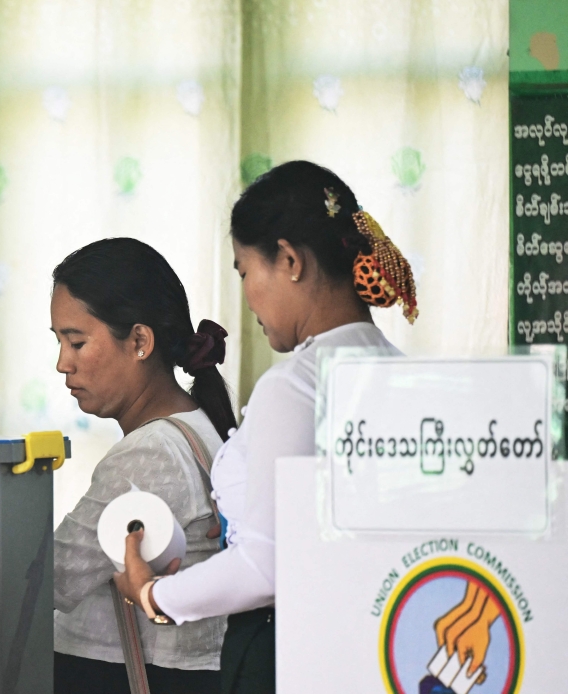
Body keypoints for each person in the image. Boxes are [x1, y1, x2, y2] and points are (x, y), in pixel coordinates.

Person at [112, 161, 416, 693]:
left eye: (245, 272)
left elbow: (266, 566)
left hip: (288, 650)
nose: (247, 295)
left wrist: (154, 594)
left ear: (290, 261)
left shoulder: (296, 384)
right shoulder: (403, 372)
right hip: (381, 643)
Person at [50, 238, 238, 694]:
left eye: (77, 342)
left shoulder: (150, 453)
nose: (62, 364)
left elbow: (52, 581)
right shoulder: (193, 426)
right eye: (59, 342)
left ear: (139, 341)